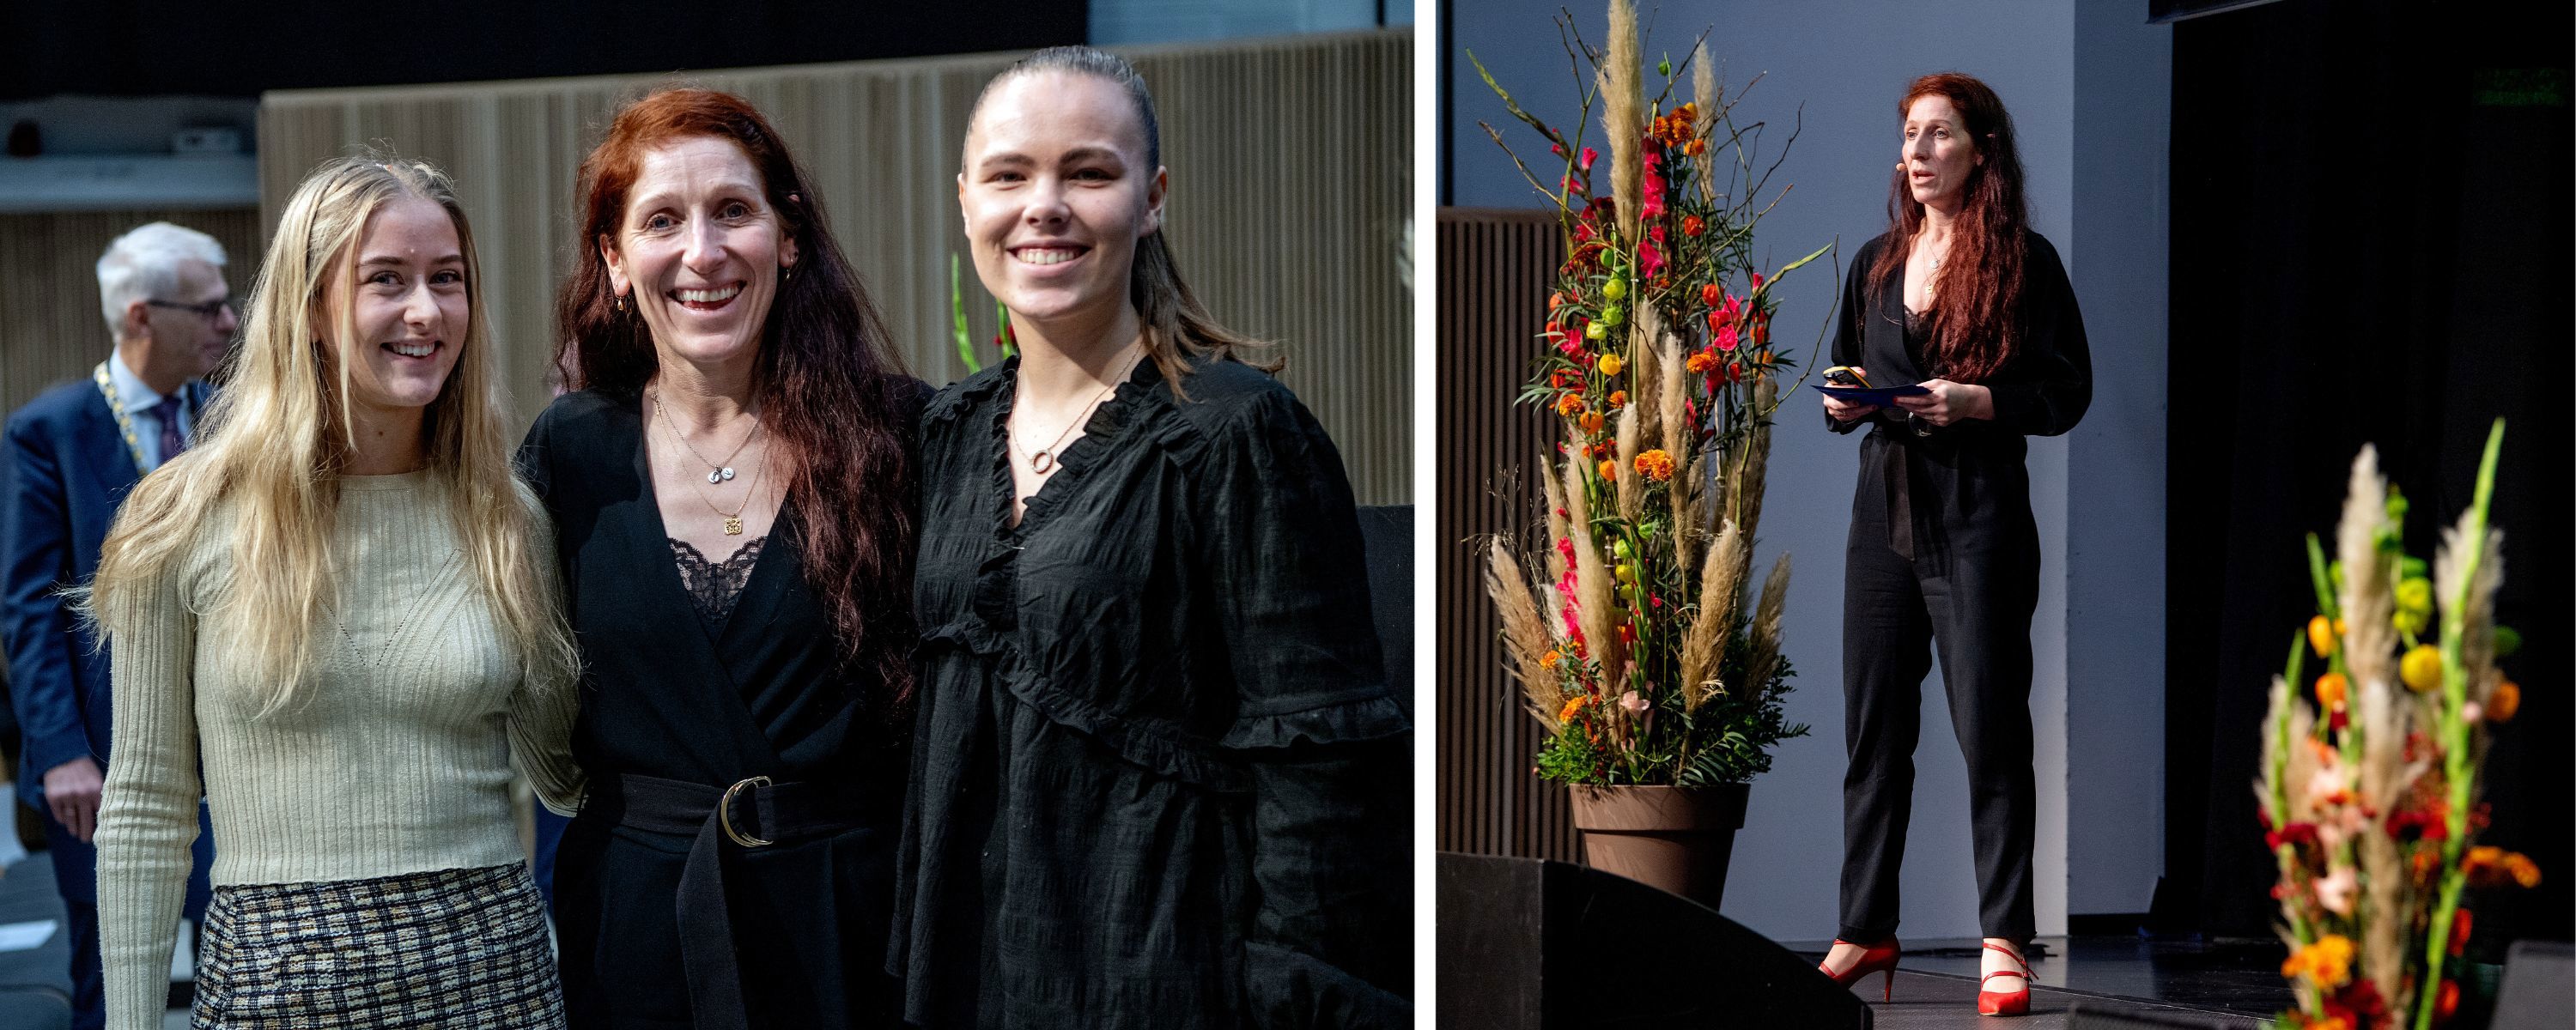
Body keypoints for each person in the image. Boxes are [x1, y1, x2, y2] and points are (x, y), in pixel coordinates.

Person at [890, 46, 1412, 1028]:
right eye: (1009, 175)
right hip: (974, 976)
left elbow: (1323, 769)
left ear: (1153, 198)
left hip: (1164, 975)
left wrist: (1284, 996)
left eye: (1088, 172)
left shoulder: (1238, 432)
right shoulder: (944, 433)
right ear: (966, 202)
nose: (1044, 206)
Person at [85, 155, 583, 1029]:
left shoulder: (509, 519)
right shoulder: (183, 516)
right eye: (385, 279)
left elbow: (568, 775)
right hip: (272, 981)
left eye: (448, 279)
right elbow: (147, 805)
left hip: (491, 973)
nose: (425, 311)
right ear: (310, 308)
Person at [521, 88, 927, 1029]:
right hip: (636, 931)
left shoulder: (900, 435)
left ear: (790, 239)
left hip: (851, 930)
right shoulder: (569, 452)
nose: (702, 253)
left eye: (733, 211)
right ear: (615, 261)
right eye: (662, 220)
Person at [1814, 72, 2092, 1017]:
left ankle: (2004, 938)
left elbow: (2066, 393)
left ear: (1983, 150)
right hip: (1882, 514)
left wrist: (1980, 402)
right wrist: (1842, 402)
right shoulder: (1876, 263)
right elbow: (1844, 372)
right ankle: (1864, 927)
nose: (1919, 153)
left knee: (1990, 728)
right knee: (1874, 728)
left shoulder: (2024, 264)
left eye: (1939, 135)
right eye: (1910, 137)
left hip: (1977, 517)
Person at [3, 221, 233, 1030]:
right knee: (112, 981)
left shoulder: (230, 419)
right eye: (207, 308)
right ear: (142, 316)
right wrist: (60, 751)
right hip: (100, 760)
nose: (229, 322)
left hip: (226, 745)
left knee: (240, 966)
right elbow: (29, 606)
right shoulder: (52, 429)